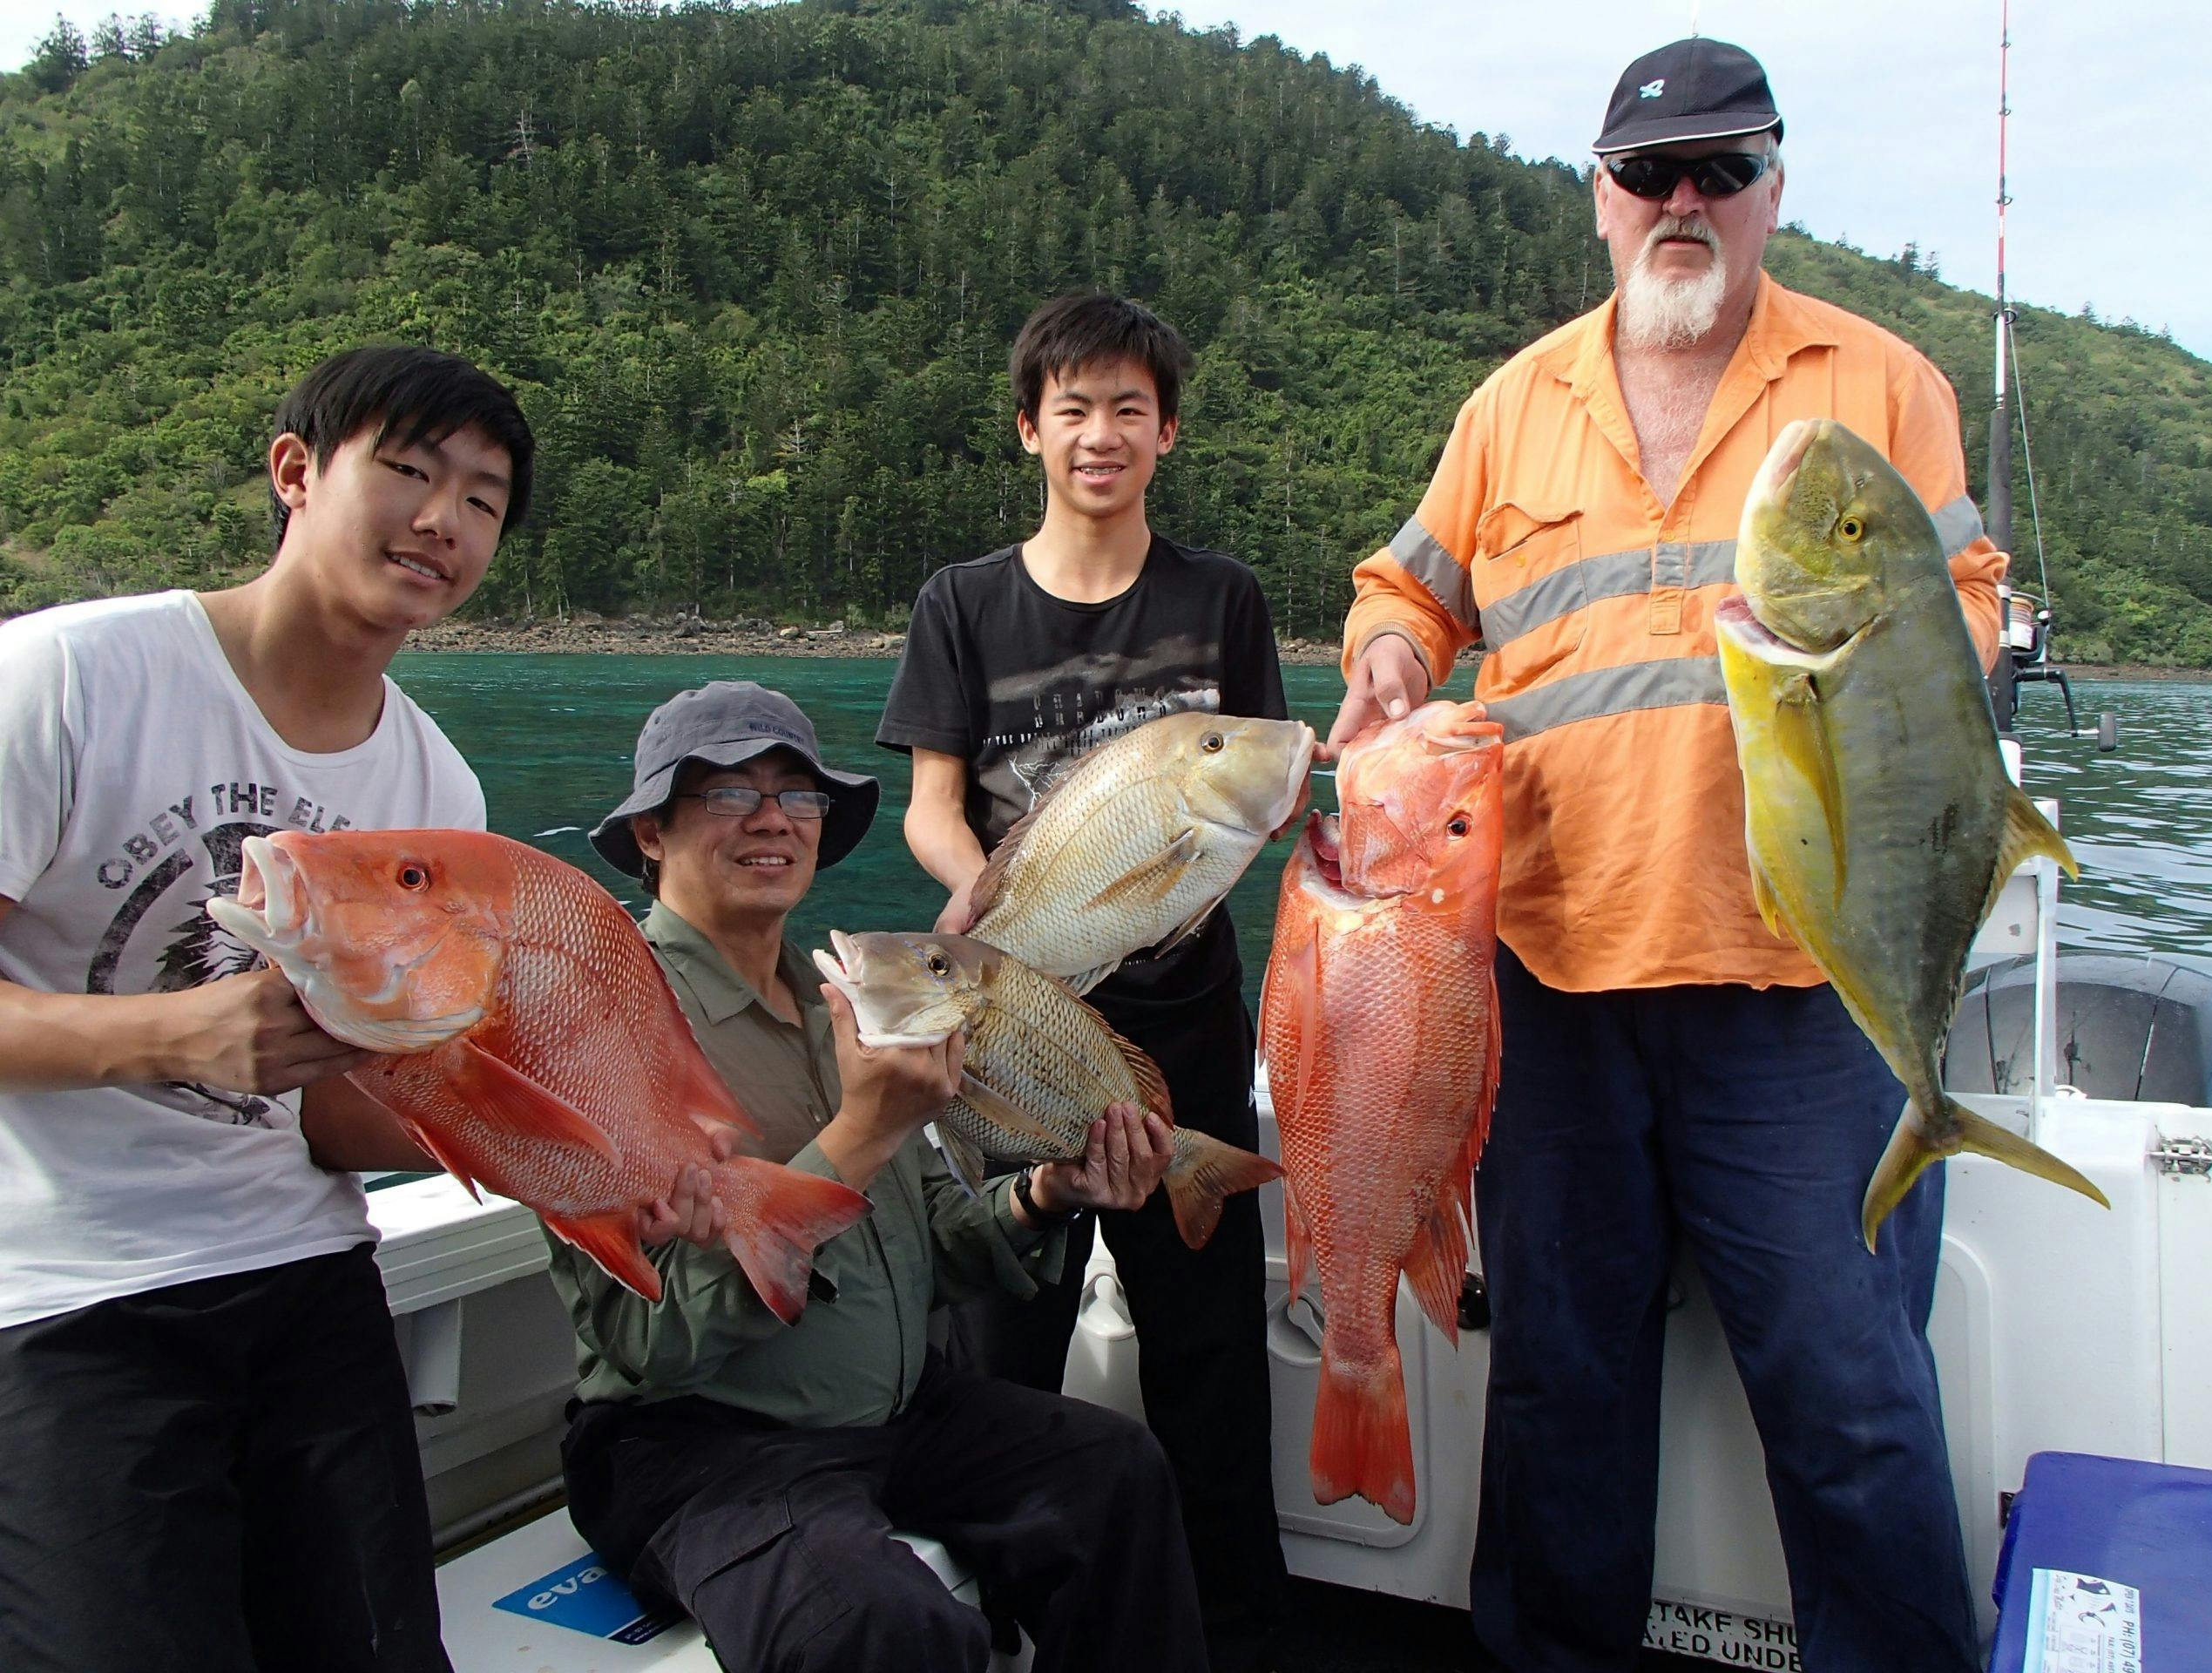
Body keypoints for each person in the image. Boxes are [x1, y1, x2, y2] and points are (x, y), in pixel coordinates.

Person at [1327, 39, 2003, 1673]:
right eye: (1650, 174)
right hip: (1550, 975)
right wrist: (1391, 652)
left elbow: (1969, 598)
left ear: (1773, 187)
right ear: (1602, 199)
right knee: (1560, 1388)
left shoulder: (1879, 383)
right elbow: (1408, 587)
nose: (1683, 201)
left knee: (1848, 1390)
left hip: (1803, 982)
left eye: (1722, 169)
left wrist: (1915, 664)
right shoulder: (1512, 405)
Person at [0, 346, 536, 1673]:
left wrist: (558, 1135)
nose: (443, 521)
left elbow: (340, 1122)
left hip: (307, 1278)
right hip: (62, 1301)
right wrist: (173, 1035)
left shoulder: (435, 789)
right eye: (407, 472)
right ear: (296, 471)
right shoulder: (70, 678)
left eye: (482, 500)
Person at [551, 679, 1209, 1673]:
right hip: (700, 1446)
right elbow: (650, 1341)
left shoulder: (852, 1001)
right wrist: (860, 1132)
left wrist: (1047, 1196)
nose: (773, 818)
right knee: (875, 1624)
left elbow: (927, 1248)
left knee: (1116, 1471)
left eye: (798, 794)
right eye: (729, 792)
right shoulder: (607, 1021)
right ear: (650, 832)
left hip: (900, 1413)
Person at [876, 292, 1292, 1673]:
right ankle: (997, 1635)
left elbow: (1253, 796)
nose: (1100, 433)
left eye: (1128, 408)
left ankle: (1233, 1634)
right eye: (1073, 409)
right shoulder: (963, 603)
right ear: (1029, 430)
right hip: (1007, 1020)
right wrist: (985, 907)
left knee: (1209, 1351)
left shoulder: (1221, 598)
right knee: (1002, 1336)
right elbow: (933, 807)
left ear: (1167, 432)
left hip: (1188, 1014)